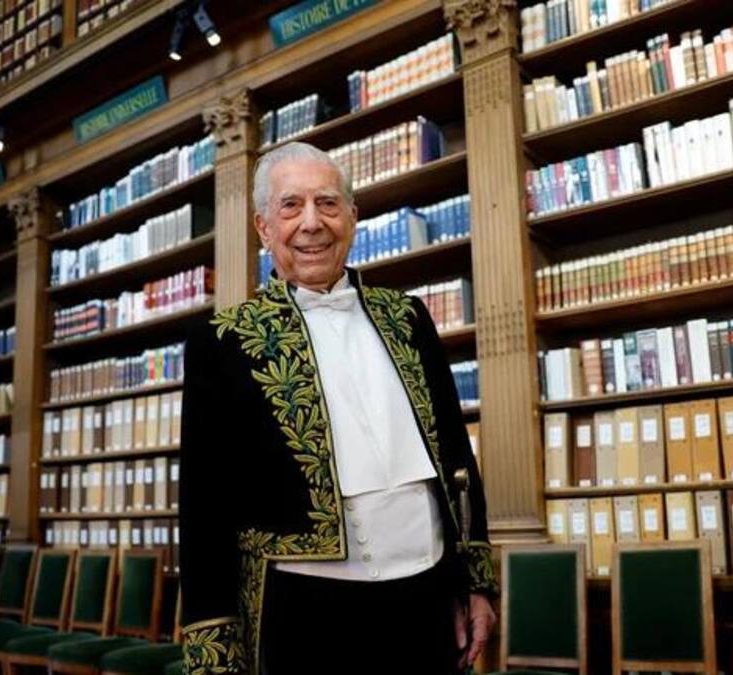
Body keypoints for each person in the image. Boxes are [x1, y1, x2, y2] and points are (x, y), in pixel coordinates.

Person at [178, 141, 497, 675]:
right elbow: (204, 504)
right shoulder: (221, 340)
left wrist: (477, 583)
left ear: (353, 216)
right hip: (302, 613)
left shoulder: (410, 319)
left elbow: (455, 456)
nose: (311, 223)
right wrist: (214, 651)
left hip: (427, 601)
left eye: (327, 204)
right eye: (290, 206)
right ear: (263, 228)